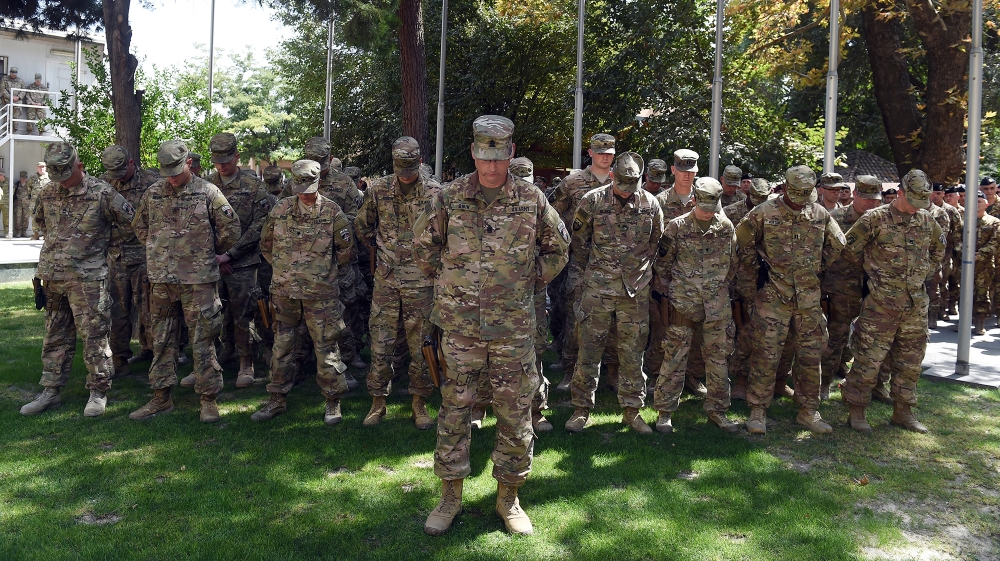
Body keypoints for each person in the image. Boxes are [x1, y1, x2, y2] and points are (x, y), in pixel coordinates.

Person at [415, 115, 569, 536]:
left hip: (512, 330)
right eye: (484, 158)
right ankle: (450, 497)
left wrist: (526, 280)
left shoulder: (531, 198)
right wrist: (453, 285)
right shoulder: (449, 196)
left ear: (511, 154)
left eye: (498, 158)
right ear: (472, 154)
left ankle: (509, 498)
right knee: (454, 411)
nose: (491, 167)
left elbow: (558, 249)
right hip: (461, 328)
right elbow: (424, 247)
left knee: (515, 414)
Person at [19, 142, 135, 417]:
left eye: (65, 174)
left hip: (89, 280)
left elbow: (132, 224)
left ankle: (98, 391)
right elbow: (41, 224)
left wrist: (101, 247)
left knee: (94, 337)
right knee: (54, 336)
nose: (60, 182)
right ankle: (50, 391)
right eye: (55, 175)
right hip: (54, 276)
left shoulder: (102, 193)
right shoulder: (47, 193)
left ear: (79, 166)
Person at [129, 140, 241, 423]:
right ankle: (161, 397)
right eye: (167, 171)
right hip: (162, 280)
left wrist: (208, 252)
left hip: (198, 280)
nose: (172, 177)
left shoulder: (208, 191)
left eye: (176, 170)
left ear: (189, 163)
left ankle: (208, 399)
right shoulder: (153, 192)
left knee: (203, 340)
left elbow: (231, 228)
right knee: (162, 340)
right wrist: (158, 249)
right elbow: (140, 225)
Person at [734, 165, 845, 435]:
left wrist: (814, 270)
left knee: (810, 356)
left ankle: (809, 410)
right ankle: (757, 410)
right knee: (765, 355)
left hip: (808, 298)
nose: (799, 199)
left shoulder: (819, 213)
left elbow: (837, 245)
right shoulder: (763, 212)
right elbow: (740, 242)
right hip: (773, 295)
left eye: (804, 194)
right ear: (784, 187)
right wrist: (756, 274)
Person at [565, 152, 664, 434]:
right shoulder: (593, 200)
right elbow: (580, 242)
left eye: (631, 184)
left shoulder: (650, 203)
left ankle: (632, 411)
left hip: (635, 291)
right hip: (598, 288)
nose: (626, 188)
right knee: (589, 349)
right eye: (621, 183)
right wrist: (591, 274)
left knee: (632, 353)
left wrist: (641, 272)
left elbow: (657, 241)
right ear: (612, 176)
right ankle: (581, 409)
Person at [250, 160, 355, 424]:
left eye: (308, 187)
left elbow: (346, 251)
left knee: (326, 348)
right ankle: (277, 399)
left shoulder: (332, 212)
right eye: (299, 187)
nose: (304, 192)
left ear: (318, 181)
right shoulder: (280, 209)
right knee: (282, 347)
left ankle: (333, 401)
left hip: (321, 295)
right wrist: (285, 270)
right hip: (285, 293)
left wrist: (320, 272)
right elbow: (266, 244)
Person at [841, 169, 945, 433]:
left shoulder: (926, 220)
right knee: (868, 359)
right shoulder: (874, 219)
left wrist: (923, 273)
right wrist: (874, 271)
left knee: (910, 362)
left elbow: (938, 250)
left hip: (915, 306)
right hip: (880, 305)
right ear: (900, 193)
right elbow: (849, 250)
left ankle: (903, 412)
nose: (916, 208)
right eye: (913, 201)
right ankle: (857, 410)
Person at [354, 137, 440, 429]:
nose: (404, 173)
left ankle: (420, 402)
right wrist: (379, 252)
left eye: (409, 167)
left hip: (422, 282)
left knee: (421, 345)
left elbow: (445, 232)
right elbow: (362, 225)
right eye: (399, 167)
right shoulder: (378, 189)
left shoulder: (435, 192)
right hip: (388, 281)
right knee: (381, 343)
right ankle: (378, 401)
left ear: (418, 162)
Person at [652, 177, 739, 433]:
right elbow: (663, 265)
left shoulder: (725, 227)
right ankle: (664, 412)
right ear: (694, 200)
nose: (709, 212)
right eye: (704, 207)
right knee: (675, 357)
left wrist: (716, 287)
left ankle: (718, 410)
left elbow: (733, 265)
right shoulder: (676, 227)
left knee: (718, 359)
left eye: (713, 208)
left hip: (716, 305)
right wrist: (678, 291)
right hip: (683, 304)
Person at [200, 132, 272, 389]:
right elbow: (199, 225)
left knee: (243, 313)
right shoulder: (205, 185)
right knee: (213, 313)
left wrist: (232, 254)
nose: (222, 165)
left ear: (237, 156)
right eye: (217, 160)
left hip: (243, 263)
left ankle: (246, 361)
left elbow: (261, 223)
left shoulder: (254, 186)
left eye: (226, 160)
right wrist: (216, 257)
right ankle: (224, 352)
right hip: (213, 262)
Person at [549, 134, 618, 393]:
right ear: (590, 152)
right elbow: (551, 214)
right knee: (575, 316)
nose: (605, 156)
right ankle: (570, 370)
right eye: (600, 151)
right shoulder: (572, 182)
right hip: (578, 261)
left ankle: (612, 371)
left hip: (611, 263)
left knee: (612, 319)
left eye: (609, 152)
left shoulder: (620, 180)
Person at [820, 175, 883, 399]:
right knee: (835, 337)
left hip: (876, 289)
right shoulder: (835, 218)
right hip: (841, 288)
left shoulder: (883, 219)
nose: (871, 203)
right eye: (866, 198)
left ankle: (871, 384)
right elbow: (823, 253)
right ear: (855, 194)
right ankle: (825, 381)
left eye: (875, 199)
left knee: (874, 340)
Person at [100, 145, 161, 375]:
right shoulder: (103, 185)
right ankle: (120, 358)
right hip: (116, 257)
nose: (118, 179)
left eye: (121, 173)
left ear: (132, 163)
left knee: (150, 309)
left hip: (145, 256)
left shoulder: (151, 182)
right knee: (118, 310)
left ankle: (156, 354)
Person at [656, 150, 708, 397]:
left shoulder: (708, 200)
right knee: (662, 329)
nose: (687, 175)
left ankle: (693, 377)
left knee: (697, 333)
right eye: (682, 170)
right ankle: (656, 377)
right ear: (673, 169)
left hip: (700, 280)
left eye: (691, 171)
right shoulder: (659, 201)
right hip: (667, 278)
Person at [724, 177, 774, 400]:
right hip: (741, 282)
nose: (758, 203)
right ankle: (740, 379)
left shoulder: (775, 212)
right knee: (743, 330)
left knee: (769, 332)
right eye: (754, 199)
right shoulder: (731, 212)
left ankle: (771, 381)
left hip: (769, 281)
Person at [970, 190, 1000, 335]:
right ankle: (964, 321)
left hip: (985, 264)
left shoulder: (994, 222)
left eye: (979, 201)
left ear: (986, 204)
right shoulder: (965, 221)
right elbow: (957, 238)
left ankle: (980, 321)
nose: (976, 204)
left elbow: (995, 242)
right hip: (965, 262)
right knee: (966, 291)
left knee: (983, 292)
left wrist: (980, 254)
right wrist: (965, 252)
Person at [27, 162, 49, 239]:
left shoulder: (49, 177)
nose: (41, 168)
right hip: (35, 202)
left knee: (47, 217)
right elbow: (29, 187)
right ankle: (36, 234)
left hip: (46, 202)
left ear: (46, 168)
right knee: (34, 217)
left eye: (43, 167)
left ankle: (46, 234)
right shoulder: (33, 177)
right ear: (37, 168)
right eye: (40, 167)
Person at [14, 171, 31, 237]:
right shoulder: (17, 185)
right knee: (17, 218)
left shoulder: (29, 185)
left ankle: (24, 232)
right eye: (22, 177)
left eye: (25, 177)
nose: (23, 179)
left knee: (26, 218)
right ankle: (18, 232)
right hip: (18, 204)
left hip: (26, 204)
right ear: (20, 178)